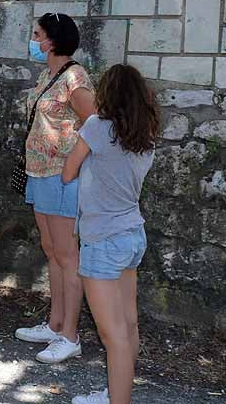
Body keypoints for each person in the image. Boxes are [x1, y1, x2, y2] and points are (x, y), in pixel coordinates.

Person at [62, 64, 159, 404]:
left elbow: (67, 172)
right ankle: (117, 392)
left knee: (112, 333)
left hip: (102, 240)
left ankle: (118, 400)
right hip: (132, 235)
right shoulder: (145, 135)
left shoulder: (96, 127)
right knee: (128, 324)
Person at [15, 12, 96, 364]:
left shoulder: (74, 77)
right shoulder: (48, 74)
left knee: (67, 255)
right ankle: (55, 323)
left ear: (52, 40)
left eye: (37, 34)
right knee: (52, 250)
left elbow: (96, 123)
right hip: (40, 172)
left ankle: (70, 335)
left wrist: (72, 165)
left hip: (62, 175)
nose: (33, 40)